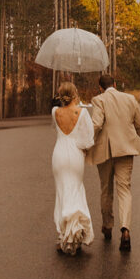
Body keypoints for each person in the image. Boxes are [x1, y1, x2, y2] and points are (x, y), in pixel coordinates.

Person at [87, 73, 140, 252]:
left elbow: (96, 124)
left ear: (100, 87)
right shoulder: (130, 99)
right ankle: (126, 230)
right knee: (124, 189)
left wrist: (86, 142)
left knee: (106, 189)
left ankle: (107, 225)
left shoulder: (99, 100)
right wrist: (137, 143)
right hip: (126, 149)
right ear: (115, 84)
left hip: (105, 151)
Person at [51, 81, 95, 255]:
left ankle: (64, 235)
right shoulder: (82, 113)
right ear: (75, 94)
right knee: (75, 190)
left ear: (60, 96)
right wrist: (83, 148)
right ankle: (74, 235)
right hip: (75, 155)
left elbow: (56, 129)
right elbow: (88, 140)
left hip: (59, 154)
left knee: (62, 192)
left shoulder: (55, 112)